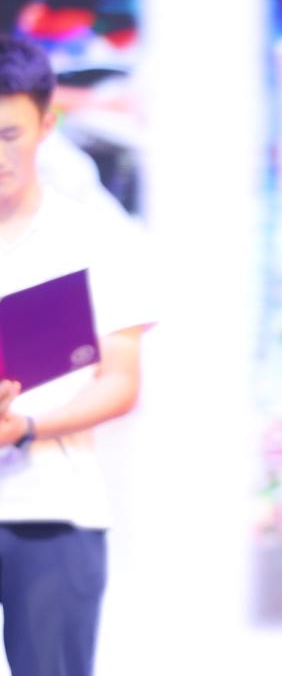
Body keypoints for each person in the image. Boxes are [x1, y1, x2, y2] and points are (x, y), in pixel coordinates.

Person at [0, 35, 154, 676]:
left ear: (46, 124)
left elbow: (120, 381)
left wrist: (25, 426)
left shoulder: (95, 238)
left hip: (53, 508)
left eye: (9, 134)